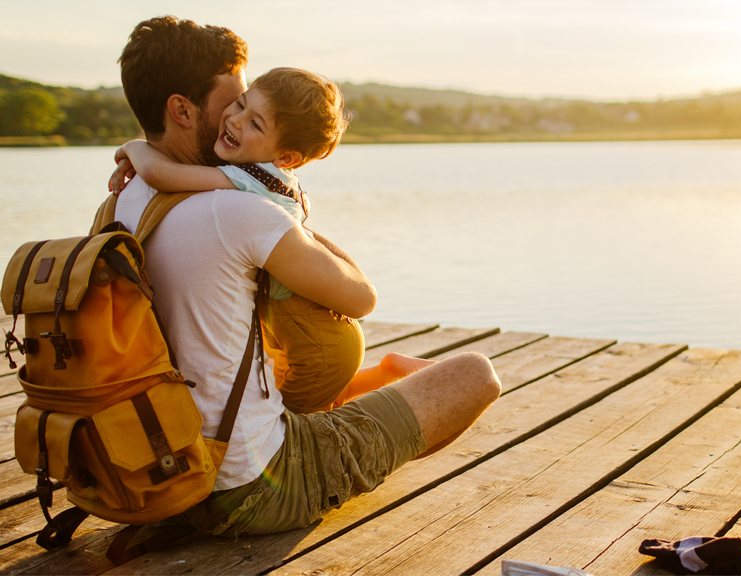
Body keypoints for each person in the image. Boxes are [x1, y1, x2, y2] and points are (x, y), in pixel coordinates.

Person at [106, 15, 501, 537]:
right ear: (181, 109)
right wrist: (290, 213)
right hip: (247, 486)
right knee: (475, 374)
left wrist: (137, 149)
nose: (235, 115)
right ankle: (361, 436)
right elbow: (360, 297)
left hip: (157, 473)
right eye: (233, 101)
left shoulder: (121, 202)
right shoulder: (237, 211)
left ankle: (371, 397)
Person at [109, 67, 434, 414]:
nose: (235, 120)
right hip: (301, 330)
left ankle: (399, 383)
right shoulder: (276, 176)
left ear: (287, 157)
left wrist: (134, 147)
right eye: (239, 105)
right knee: (316, 404)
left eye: (255, 124)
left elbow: (162, 175)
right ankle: (389, 373)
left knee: (290, 420)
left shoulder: (244, 179)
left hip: (311, 338)